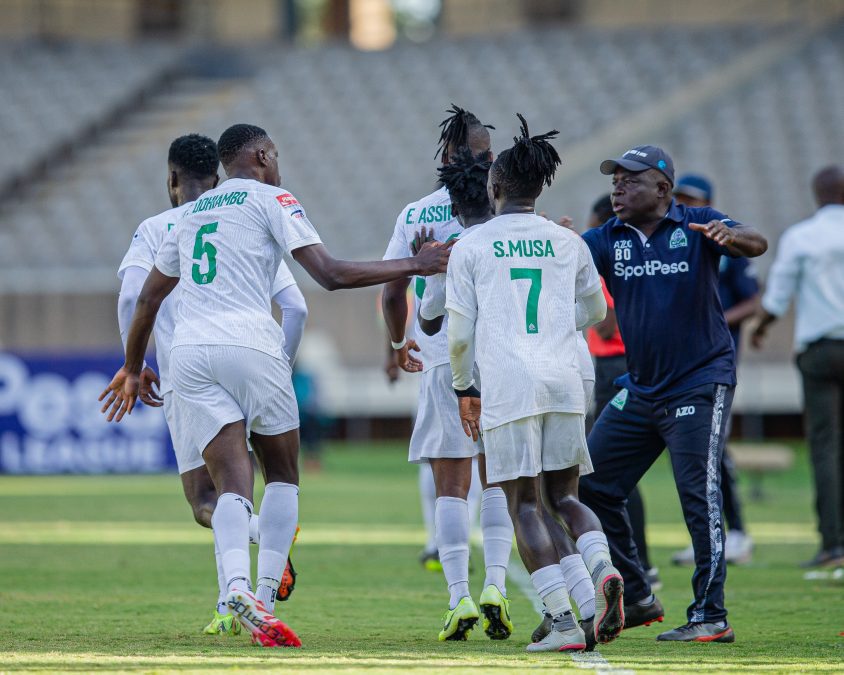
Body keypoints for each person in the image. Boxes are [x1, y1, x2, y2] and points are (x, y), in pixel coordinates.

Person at [100, 123, 452, 648]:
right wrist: (415, 264)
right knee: (282, 474)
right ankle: (263, 596)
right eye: (277, 155)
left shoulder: (189, 214)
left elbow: (146, 298)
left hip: (189, 357)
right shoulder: (272, 198)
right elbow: (329, 275)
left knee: (229, 485)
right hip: (251, 343)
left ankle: (235, 589)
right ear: (263, 155)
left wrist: (132, 366)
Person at [116, 133, 307, 636]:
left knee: (209, 493)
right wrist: (278, 364)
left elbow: (134, 298)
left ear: (171, 179)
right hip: (254, 356)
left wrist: (135, 363)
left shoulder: (157, 228)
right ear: (219, 176)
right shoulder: (245, 213)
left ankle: (233, 591)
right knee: (270, 477)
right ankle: (260, 563)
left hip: (186, 370)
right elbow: (296, 305)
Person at [446, 114, 623, 653]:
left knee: (524, 504)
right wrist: (555, 325)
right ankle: (604, 569)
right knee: (565, 496)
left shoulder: (473, 245)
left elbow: (459, 335)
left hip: (509, 384)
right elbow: (597, 311)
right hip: (564, 378)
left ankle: (563, 622)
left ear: (494, 185)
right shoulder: (567, 241)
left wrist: (464, 388)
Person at [579, 145, 767, 643]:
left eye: (630, 180)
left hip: (699, 381)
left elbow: (757, 241)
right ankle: (639, 594)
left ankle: (711, 615)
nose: (618, 189)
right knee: (591, 484)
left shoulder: (698, 223)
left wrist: (733, 235)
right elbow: (566, 258)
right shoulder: (607, 238)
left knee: (697, 495)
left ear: (663, 188)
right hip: (641, 388)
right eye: (615, 181)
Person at [381, 106, 515, 642]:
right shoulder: (511, 211)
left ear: (444, 157)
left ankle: (459, 597)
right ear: (490, 157)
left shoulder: (418, 214)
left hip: (443, 360)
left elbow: (392, 289)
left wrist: (398, 344)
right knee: (499, 478)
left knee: (450, 486)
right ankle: (497, 586)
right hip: (504, 361)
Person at [751, 165, 844, 569]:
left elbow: (777, 298)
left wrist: (761, 328)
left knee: (825, 444)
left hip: (820, 350)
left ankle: (833, 544)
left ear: (816, 194)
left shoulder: (802, 236)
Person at [672, 174, 758, 566]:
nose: (684, 203)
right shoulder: (673, 241)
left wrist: (717, 318)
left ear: (707, 202)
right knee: (694, 450)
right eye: (680, 197)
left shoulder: (723, 241)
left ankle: (736, 531)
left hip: (715, 361)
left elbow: (753, 300)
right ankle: (708, 535)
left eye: (692, 199)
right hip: (681, 360)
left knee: (714, 448)